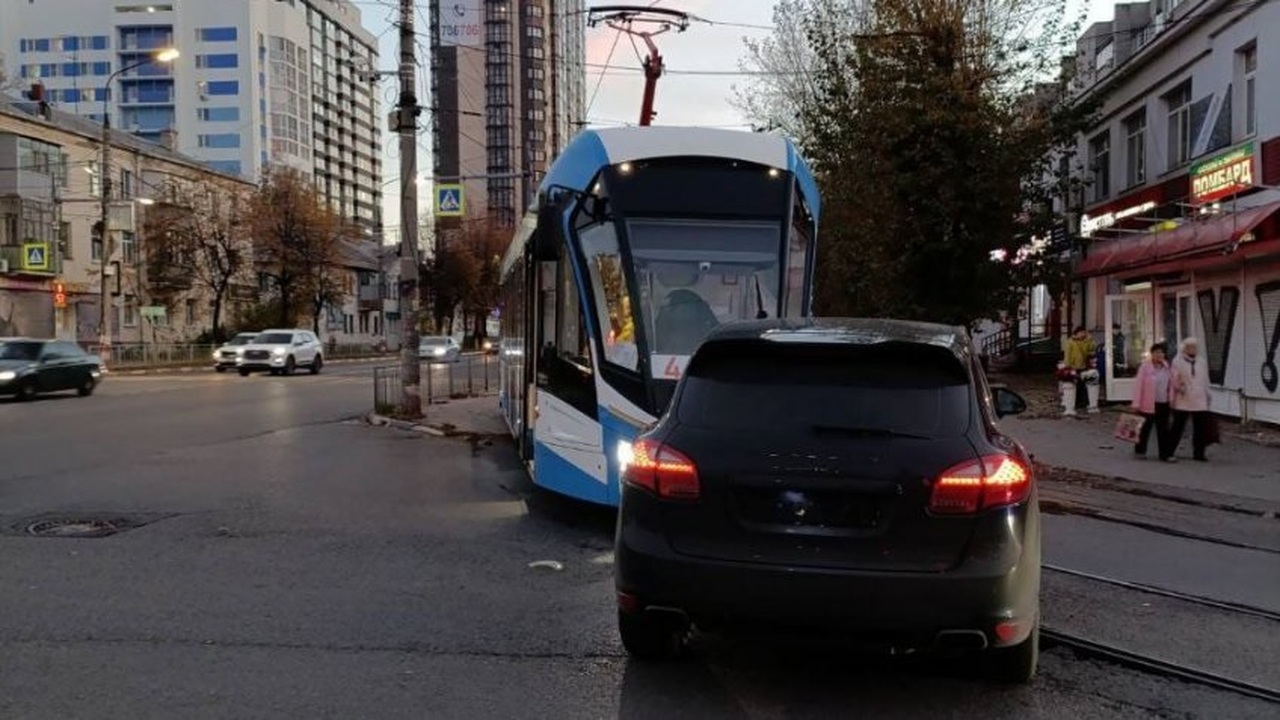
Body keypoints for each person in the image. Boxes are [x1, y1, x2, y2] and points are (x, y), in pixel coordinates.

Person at [1169, 337, 1211, 462]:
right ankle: (1169, 451)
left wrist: (1208, 394)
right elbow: (1174, 378)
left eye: (1194, 347)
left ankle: (1199, 453)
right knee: (1178, 426)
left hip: (1200, 398)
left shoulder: (1201, 362)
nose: (1192, 349)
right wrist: (1179, 386)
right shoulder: (1178, 361)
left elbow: (1205, 379)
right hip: (1184, 397)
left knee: (1200, 428)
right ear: (1184, 348)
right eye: (1189, 347)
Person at [1130, 342, 1174, 462]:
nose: (1160, 355)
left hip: (1163, 402)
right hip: (1148, 403)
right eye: (1157, 352)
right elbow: (1139, 386)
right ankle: (1140, 451)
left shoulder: (1167, 367)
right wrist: (1136, 403)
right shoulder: (1145, 367)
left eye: (1162, 352)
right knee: (1145, 428)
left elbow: (1171, 385)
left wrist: (1171, 399)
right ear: (1152, 354)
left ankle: (1165, 454)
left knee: (1164, 429)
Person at [1063, 326, 1097, 411]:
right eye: (1082, 332)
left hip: (1083, 366)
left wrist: (1090, 340)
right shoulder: (1070, 342)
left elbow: (1092, 348)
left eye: (1084, 333)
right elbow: (1067, 355)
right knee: (1075, 385)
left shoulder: (1086, 341)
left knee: (1083, 384)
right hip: (1074, 366)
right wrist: (1067, 366)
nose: (1083, 334)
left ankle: (1083, 401)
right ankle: (1075, 402)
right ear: (1077, 333)